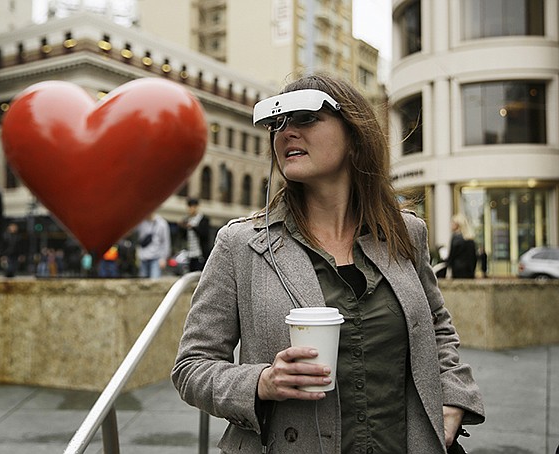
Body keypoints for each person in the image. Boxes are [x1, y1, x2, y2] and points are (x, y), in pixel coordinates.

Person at [172, 73, 485, 453]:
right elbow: (192, 366)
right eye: (277, 123)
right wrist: (262, 382)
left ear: (353, 135)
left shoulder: (406, 233)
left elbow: (437, 327)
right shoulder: (241, 244)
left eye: (305, 117)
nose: (287, 132)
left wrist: (452, 399)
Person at [179, 198, 210, 272]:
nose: (190, 209)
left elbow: (204, 235)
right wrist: (182, 227)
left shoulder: (203, 220)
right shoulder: (187, 219)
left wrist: (193, 227)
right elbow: (183, 237)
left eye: (192, 207)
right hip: (190, 254)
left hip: (200, 254)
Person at [136, 213, 171, 278]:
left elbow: (166, 242)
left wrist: (163, 258)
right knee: (142, 283)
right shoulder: (141, 222)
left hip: (156, 258)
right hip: (143, 257)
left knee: (154, 282)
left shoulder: (161, 223)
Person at [447, 214, 477, 279]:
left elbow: (452, 255)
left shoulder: (455, 238)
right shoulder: (470, 238)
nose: (451, 225)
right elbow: (473, 257)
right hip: (469, 270)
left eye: (453, 223)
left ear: (458, 225)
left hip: (457, 270)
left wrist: (448, 264)